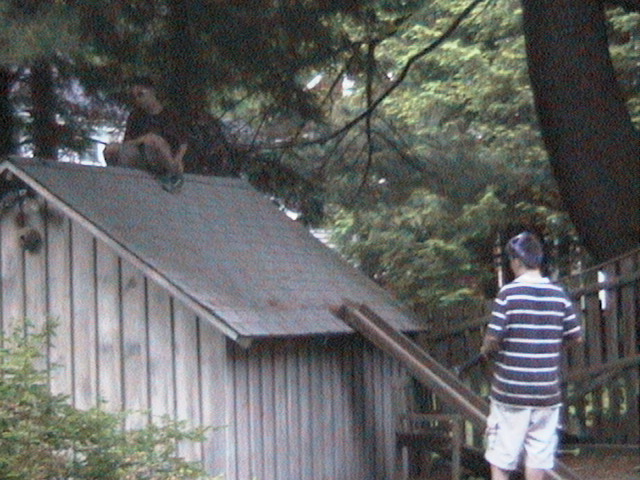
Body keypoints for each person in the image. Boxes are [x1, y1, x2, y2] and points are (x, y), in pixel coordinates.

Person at [480, 232, 583, 480]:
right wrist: (551, 348)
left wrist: (486, 351)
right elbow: (576, 336)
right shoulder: (558, 294)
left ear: (516, 261)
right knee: (538, 456)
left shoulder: (509, 294)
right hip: (546, 393)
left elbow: (493, 339)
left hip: (511, 392)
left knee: (501, 458)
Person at [103, 76, 188, 193]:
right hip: (140, 156)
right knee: (110, 149)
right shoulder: (135, 116)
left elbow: (183, 143)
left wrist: (178, 160)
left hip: (163, 159)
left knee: (154, 140)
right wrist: (143, 139)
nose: (138, 99)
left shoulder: (170, 115)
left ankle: (173, 176)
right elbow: (127, 143)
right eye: (135, 97)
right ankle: (115, 180)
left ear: (152, 92)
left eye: (141, 94)